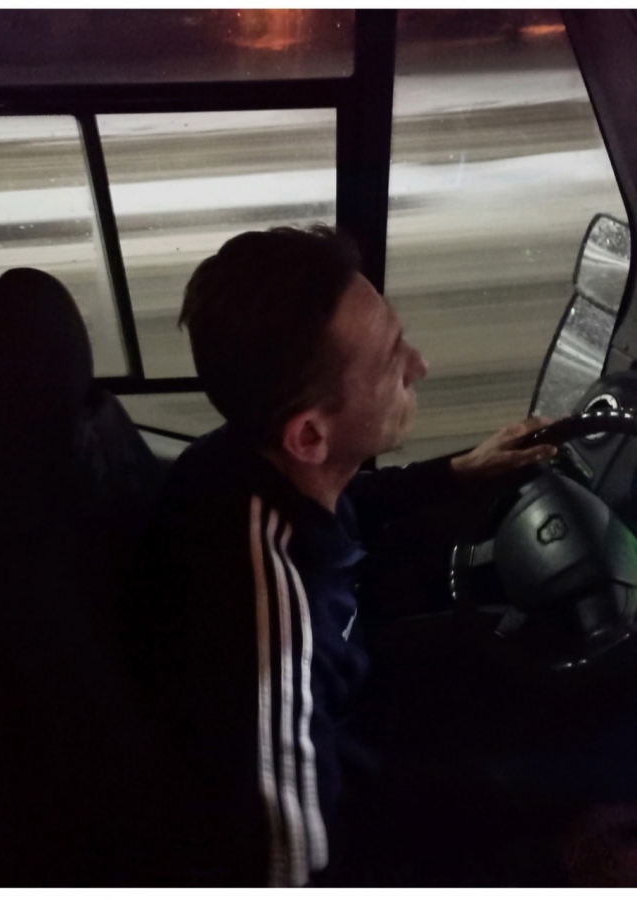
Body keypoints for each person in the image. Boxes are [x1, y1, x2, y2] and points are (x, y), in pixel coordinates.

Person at [127, 225, 556, 886]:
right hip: (348, 800)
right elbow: (293, 865)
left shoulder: (246, 458)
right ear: (308, 436)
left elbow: (349, 493)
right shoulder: (271, 630)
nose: (419, 364)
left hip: (355, 719)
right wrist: (550, 869)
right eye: (389, 360)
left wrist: (457, 471)